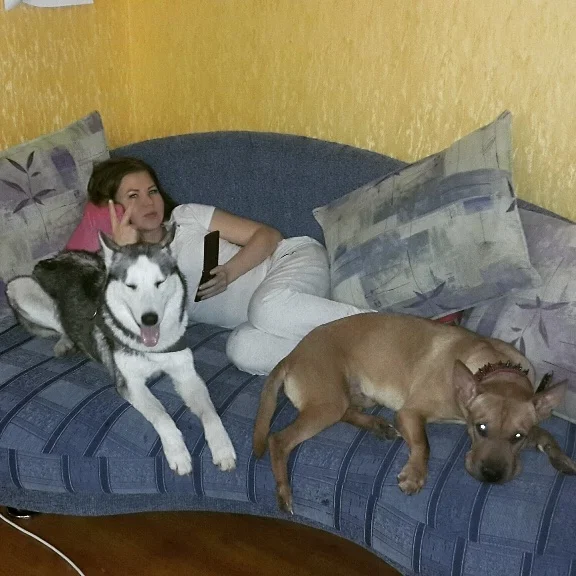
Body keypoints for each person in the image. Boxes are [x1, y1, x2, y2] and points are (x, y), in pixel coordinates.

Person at [67, 157, 371, 375]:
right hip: (272, 320)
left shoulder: (186, 217)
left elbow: (268, 235)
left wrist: (229, 272)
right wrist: (125, 253)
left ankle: (381, 329)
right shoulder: (129, 275)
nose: (148, 202)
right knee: (242, 349)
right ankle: (351, 367)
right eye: (133, 196)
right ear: (115, 210)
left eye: (152, 191)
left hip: (293, 261)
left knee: (266, 308)